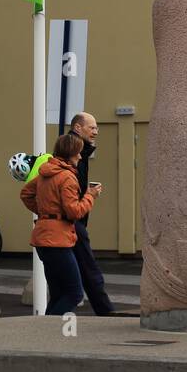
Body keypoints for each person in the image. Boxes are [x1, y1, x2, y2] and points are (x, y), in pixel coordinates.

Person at [19, 132, 97, 316]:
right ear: (70, 153)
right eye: (78, 152)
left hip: (43, 238)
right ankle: (47, 328)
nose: (80, 156)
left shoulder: (46, 172)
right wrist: (90, 196)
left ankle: (45, 331)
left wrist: (45, 212)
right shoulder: (67, 177)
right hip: (58, 240)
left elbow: (26, 193)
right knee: (74, 293)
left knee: (58, 293)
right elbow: (74, 211)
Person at [67, 112, 115, 316]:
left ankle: (53, 319)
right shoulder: (72, 155)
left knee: (71, 282)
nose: (96, 132)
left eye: (96, 128)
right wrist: (90, 196)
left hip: (70, 224)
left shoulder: (80, 153)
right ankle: (106, 313)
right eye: (92, 127)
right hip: (73, 223)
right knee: (88, 273)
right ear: (78, 128)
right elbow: (72, 201)